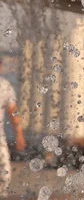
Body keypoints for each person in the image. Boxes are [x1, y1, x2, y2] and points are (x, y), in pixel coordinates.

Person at [0, 62, 25, 197]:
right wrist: (19, 135)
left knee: (5, 174)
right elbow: (13, 112)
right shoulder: (4, 85)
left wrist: (19, 135)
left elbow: (12, 112)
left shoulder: (4, 85)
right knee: (5, 173)